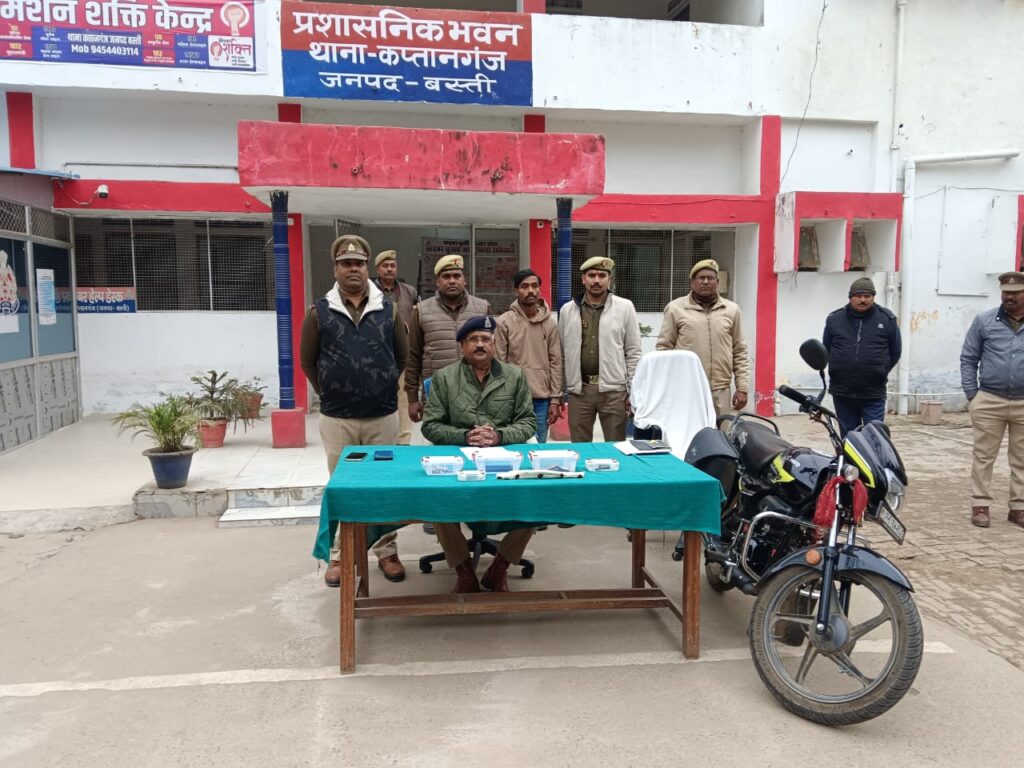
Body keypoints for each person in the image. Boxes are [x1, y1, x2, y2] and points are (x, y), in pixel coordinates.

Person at [300, 234, 409, 586]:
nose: (353, 269)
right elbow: (308, 362)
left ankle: (387, 550)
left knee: (383, 485)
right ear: (335, 268)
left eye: (359, 263)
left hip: (382, 416)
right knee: (341, 486)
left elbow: (402, 356)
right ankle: (339, 554)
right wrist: (331, 390)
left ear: (366, 268)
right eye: (346, 263)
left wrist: (383, 384)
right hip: (337, 418)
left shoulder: (388, 309)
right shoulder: (319, 312)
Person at [422, 315, 537, 593]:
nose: (480, 345)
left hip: (504, 457)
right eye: (473, 339)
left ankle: (500, 567)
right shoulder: (444, 378)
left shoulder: (515, 376)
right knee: (438, 502)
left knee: (536, 499)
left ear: (494, 344)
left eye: (486, 339)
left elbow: (528, 422)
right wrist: (465, 436)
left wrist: (499, 436)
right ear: (462, 346)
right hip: (458, 457)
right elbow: (430, 425)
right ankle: (463, 571)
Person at [960, 271, 1024, 529]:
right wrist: (972, 395)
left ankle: (1018, 508)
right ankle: (980, 505)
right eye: (1006, 292)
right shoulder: (984, 321)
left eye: (1016, 293)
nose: (1009, 297)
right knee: (984, 456)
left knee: (1021, 458)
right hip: (989, 400)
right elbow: (968, 358)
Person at [559, 256, 642, 443]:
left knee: (616, 446)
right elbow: (562, 354)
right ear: (583, 279)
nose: (596, 280)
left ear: (609, 279)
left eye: (602, 275)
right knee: (580, 448)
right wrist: (560, 390)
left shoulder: (625, 308)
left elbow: (633, 352)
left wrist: (632, 389)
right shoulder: (567, 310)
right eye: (591, 275)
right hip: (579, 391)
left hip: (613, 391)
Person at [656, 258, 749, 417]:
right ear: (692, 283)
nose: (706, 282)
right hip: (687, 388)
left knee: (721, 430)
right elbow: (664, 350)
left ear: (717, 282)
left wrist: (742, 388)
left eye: (710, 278)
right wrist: (667, 387)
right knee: (689, 430)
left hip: (720, 389)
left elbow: (739, 350)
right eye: (701, 278)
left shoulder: (731, 310)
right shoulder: (675, 309)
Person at [405, 254, 491, 426]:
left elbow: (493, 354)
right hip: (437, 396)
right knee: (439, 441)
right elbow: (413, 356)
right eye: (446, 276)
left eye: (456, 276)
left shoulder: (482, 308)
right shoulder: (422, 311)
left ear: (464, 280)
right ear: (438, 282)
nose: (452, 281)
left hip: (477, 396)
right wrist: (412, 398)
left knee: (476, 440)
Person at [822, 276, 901, 435]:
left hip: (873, 392)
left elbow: (895, 351)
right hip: (842, 391)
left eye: (867, 296)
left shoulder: (887, 319)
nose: (863, 300)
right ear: (850, 297)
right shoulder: (834, 319)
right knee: (848, 437)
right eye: (858, 296)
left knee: (874, 437)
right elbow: (826, 350)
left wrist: (880, 370)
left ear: (873, 297)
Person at [495, 268, 563, 443]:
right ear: (516, 291)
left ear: (539, 289)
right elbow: (499, 364)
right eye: (525, 286)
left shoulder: (549, 323)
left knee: (538, 448)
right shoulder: (504, 322)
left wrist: (555, 399)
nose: (530, 290)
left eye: (534, 286)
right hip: (513, 399)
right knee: (514, 446)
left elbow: (556, 362)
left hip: (542, 400)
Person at [372, 249, 419, 445]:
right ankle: (379, 438)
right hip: (376, 355)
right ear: (377, 269)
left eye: (392, 265)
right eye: (385, 266)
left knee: (403, 397)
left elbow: (416, 320)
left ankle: (403, 440)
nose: (389, 269)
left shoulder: (410, 292)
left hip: (402, 354)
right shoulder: (368, 290)